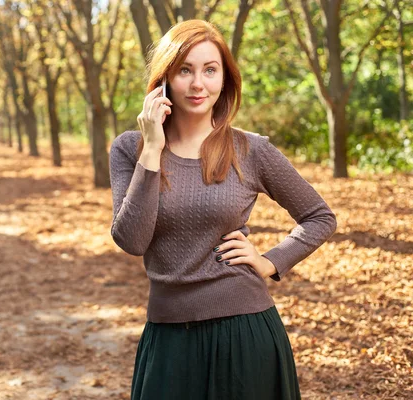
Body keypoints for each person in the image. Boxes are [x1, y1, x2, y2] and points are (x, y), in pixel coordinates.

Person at [108, 19, 337, 400]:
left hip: (245, 333)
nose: (198, 84)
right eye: (185, 70)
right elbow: (131, 240)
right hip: (168, 338)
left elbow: (320, 217)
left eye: (210, 70)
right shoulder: (129, 149)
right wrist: (152, 148)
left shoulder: (251, 150)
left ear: (224, 79)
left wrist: (270, 261)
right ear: (164, 80)